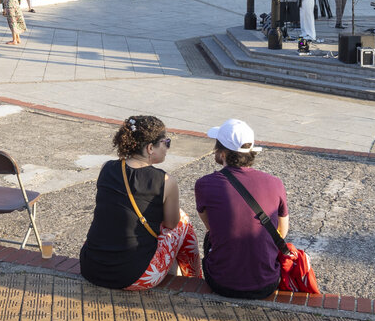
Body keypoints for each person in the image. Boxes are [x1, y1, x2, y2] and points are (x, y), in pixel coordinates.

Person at [79, 115, 200, 291]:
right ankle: (194, 280)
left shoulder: (107, 168)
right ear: (151, 148)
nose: (167, 147)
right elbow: (171, 224)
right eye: (166, 142)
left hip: (91, 268)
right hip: (135, 276)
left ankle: (175, 271)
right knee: (182, 220)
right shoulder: (166, 181)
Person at [194, 119, 288, 300]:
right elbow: (281, 233)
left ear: (222, 153)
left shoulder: (205, 184)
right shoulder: (275, 183)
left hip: (220, 282)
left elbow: (211, 228)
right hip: (267, 283)